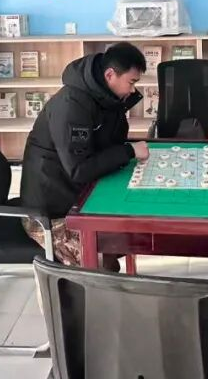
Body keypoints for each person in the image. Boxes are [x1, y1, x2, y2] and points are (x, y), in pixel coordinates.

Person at [20, 41, 149, 267]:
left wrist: (125, 151)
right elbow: (79, 169)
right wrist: (129, 151)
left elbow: (110, 141)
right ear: (110, 75)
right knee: (104, 263)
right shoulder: (71, 105)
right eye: (131, 82)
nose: (132, 90)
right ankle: (73, 289)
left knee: (130, 233)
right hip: (51, 215)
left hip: (78, 196)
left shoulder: (106, 97)